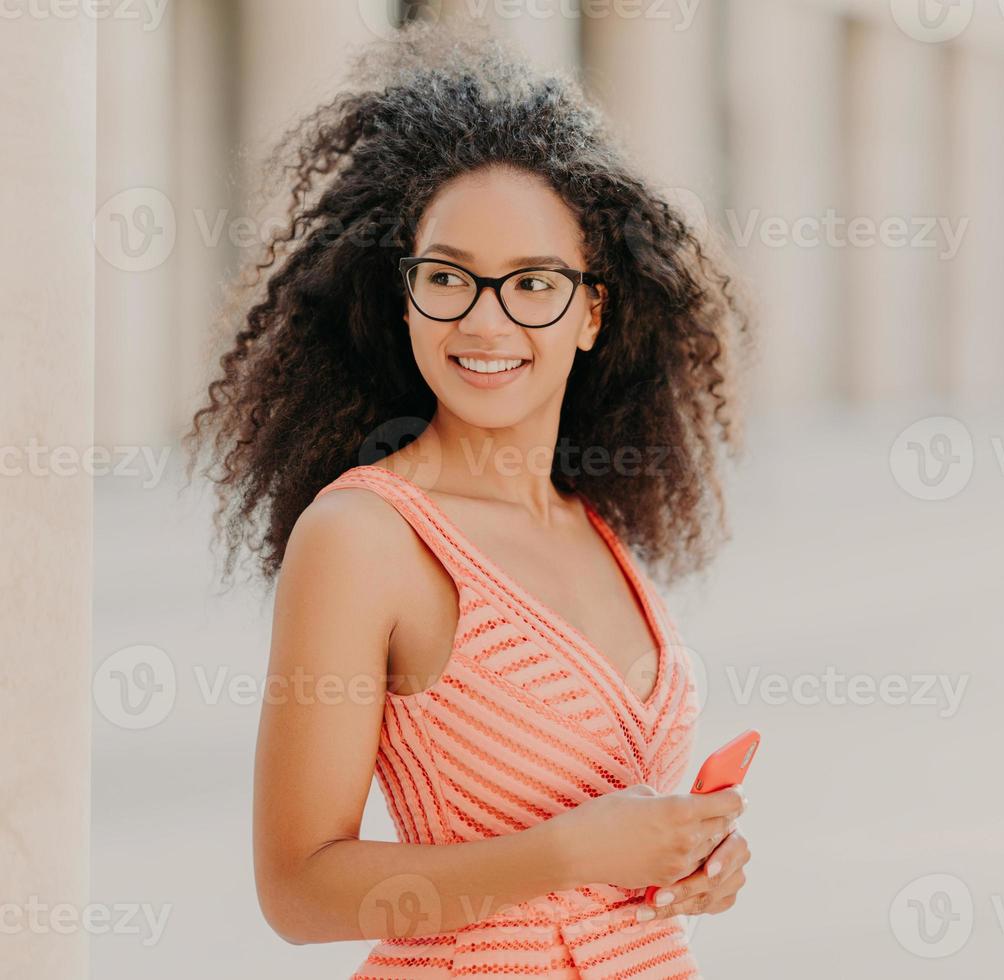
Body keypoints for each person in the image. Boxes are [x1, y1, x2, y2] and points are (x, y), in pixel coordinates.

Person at [185, 23, 754, 979]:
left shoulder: (592, 520)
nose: (484, 322)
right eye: (447, 278)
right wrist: (575, 852)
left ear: (591, 310)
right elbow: (296, 889)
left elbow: (617, 827)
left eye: (532, 284)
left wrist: (689, 858)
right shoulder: (362, 537)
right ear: (404, 296)